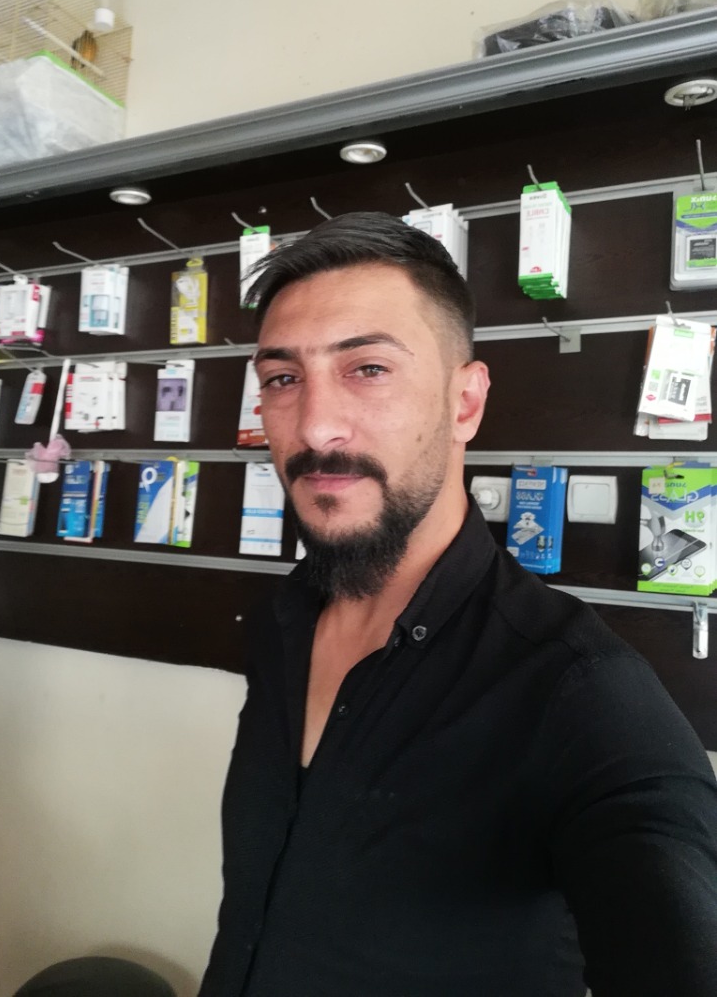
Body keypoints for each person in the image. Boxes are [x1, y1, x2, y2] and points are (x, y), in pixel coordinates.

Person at [198, 212, 717, 997]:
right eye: (282, 378)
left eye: (369, 368)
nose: (315, 425)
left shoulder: (575, 688)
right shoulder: (284, 618)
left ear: (465, 403)